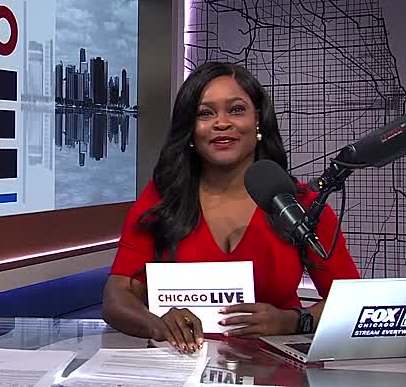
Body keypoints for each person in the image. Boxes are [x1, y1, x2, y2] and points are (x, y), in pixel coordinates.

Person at [102, 62, 360, 353]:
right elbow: (117, 297)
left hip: (276, 366)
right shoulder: (162, 200)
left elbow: (352, 302)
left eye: (236, 110)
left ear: (257, 120)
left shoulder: (300, 206)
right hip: (182, 365)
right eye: (205, 113)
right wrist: (158, 324)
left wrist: (292, 321)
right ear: (190, 129)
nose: (221, 123)